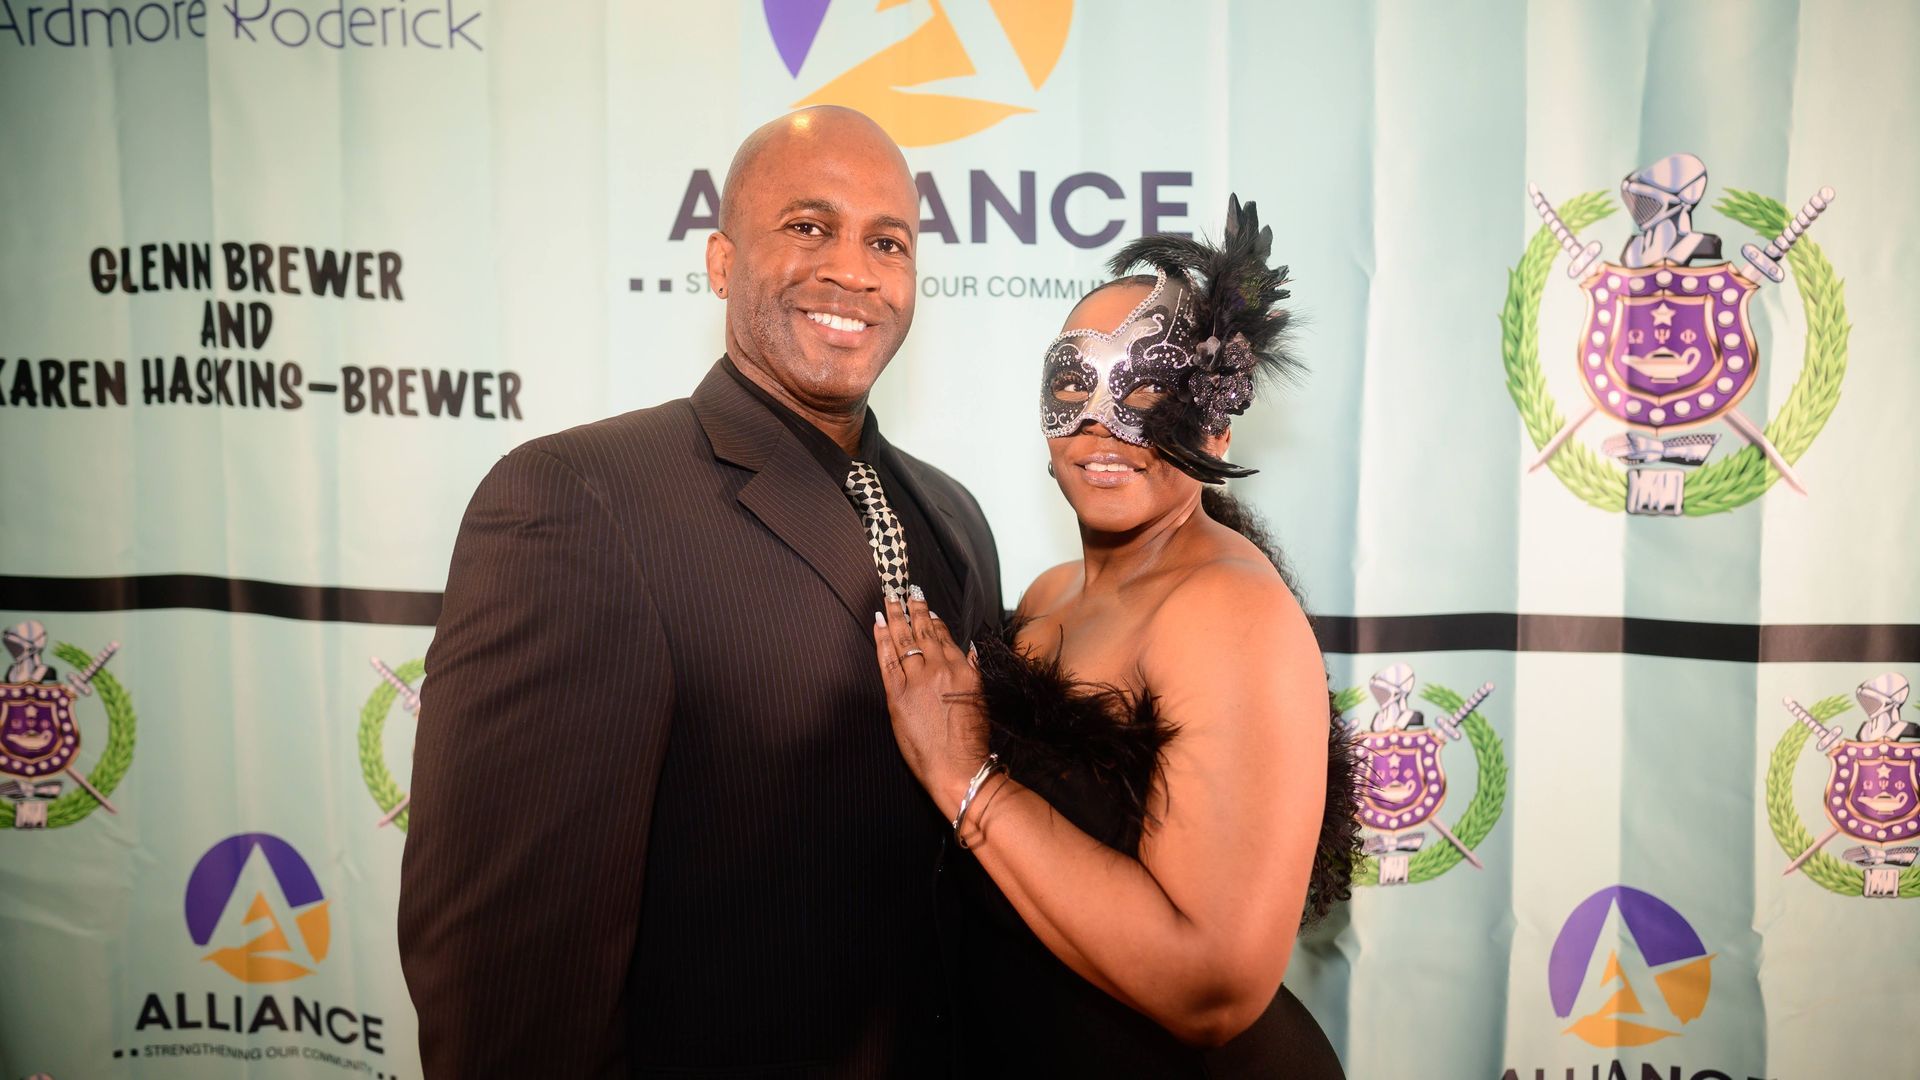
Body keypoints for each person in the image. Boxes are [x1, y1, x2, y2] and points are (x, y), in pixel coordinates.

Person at [398, 107, 1003, 1076]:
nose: (852, 269)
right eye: (809, 227)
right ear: (721, 262)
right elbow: (505, 961)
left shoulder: (955, 515)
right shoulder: (580, 500)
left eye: (886, 242)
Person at [872, 197, 1358, 1075]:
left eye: (1149, 393)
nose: (1103, 422)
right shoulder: (1050, 594)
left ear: (1217, 414)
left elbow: (1213, 986)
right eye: (1074, 385)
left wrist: (963, 776)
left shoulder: (1225, 611)